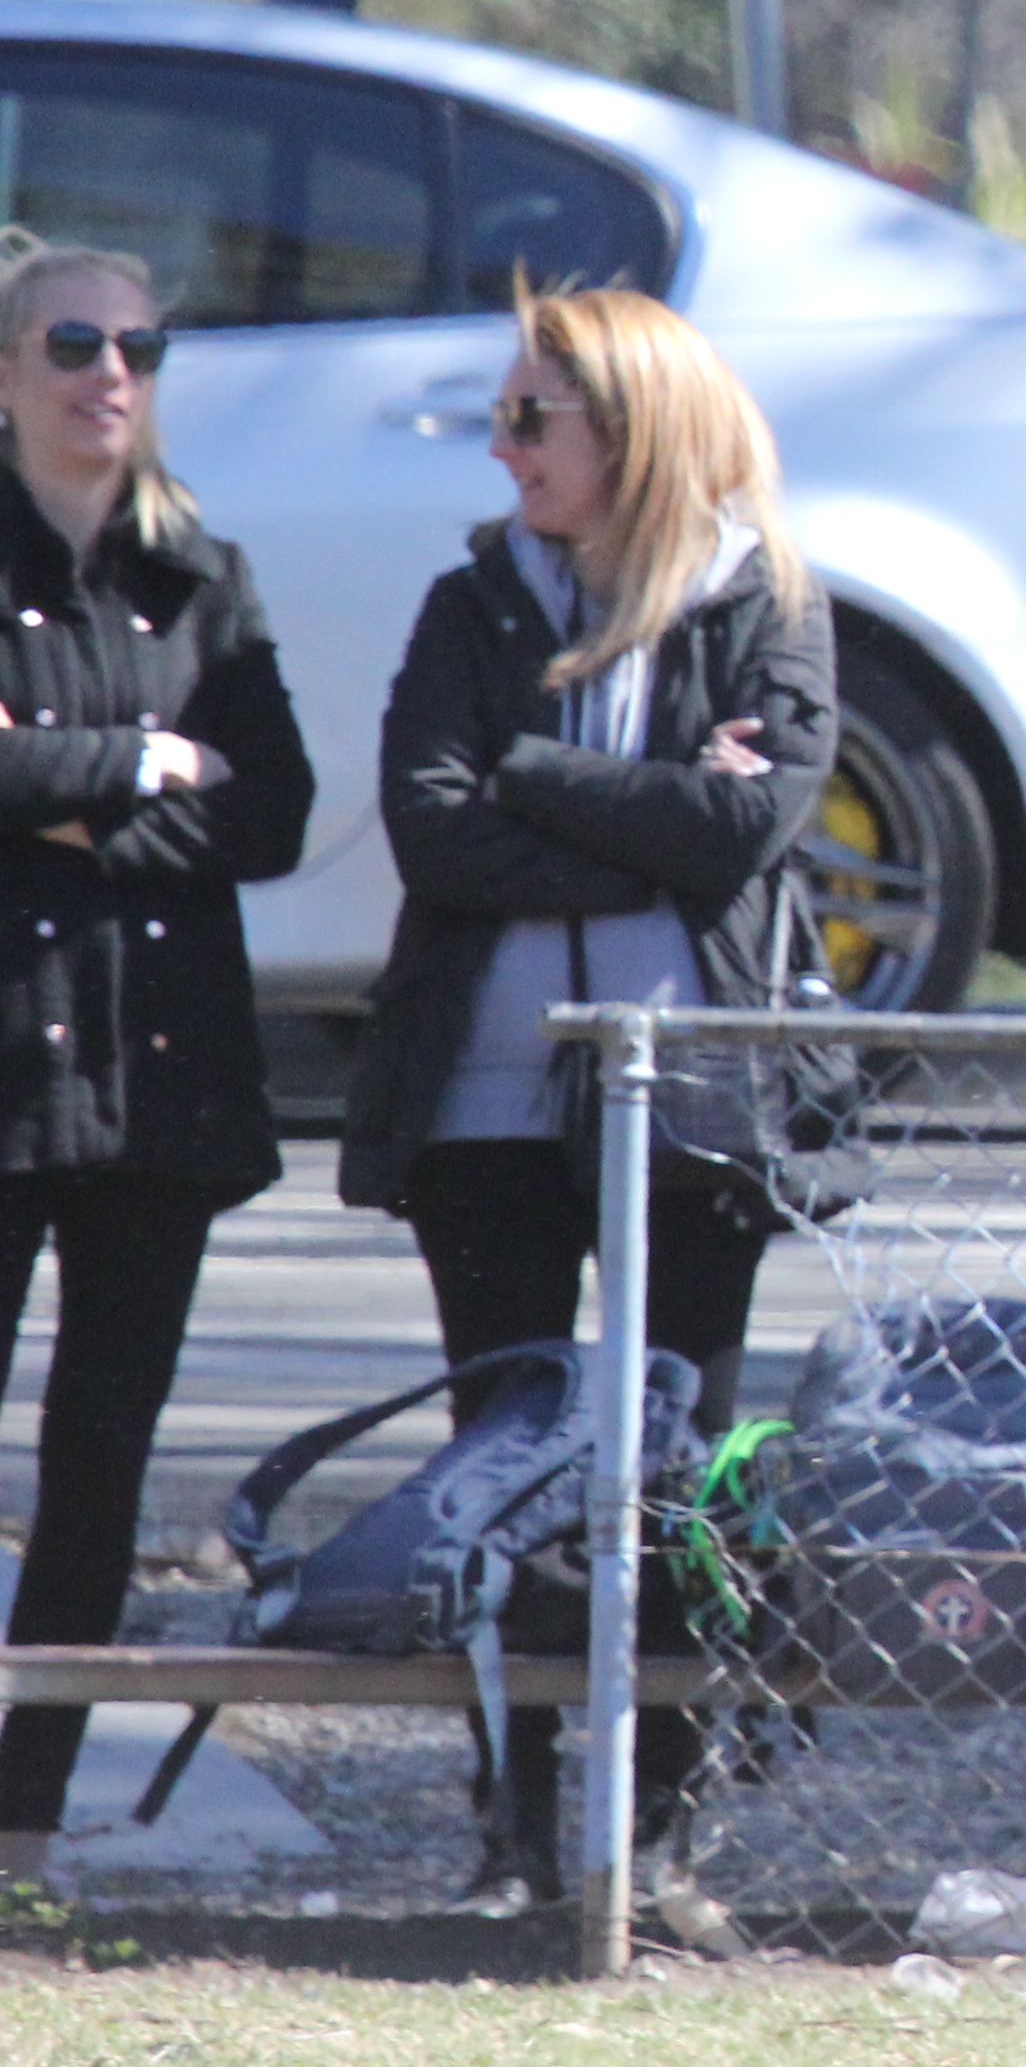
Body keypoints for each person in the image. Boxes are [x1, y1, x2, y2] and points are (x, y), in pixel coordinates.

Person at [337, 289, 843, 1914]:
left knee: (676, 1471)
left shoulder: (765, 605)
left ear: (630, 432)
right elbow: (433, 831)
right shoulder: (471, 603)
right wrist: (659, 802)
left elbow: (740, 841)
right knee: (504, 1459)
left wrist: (539, 774)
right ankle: (514, 1829)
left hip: (696, 1109)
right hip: (482, 1106)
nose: (502, 448)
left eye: (531, 418)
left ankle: (655, 1840)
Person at [0, 246, 310, 1881]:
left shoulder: (205, 579)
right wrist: (141, 760)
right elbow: (193, 790)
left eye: (136, 346)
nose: (105, 371)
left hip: (160, 1080)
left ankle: (22, 1811)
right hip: (7, 1064)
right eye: (69, 342)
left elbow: (273, 811)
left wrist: (55, 799)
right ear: (7, 370)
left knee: (100, 1455)